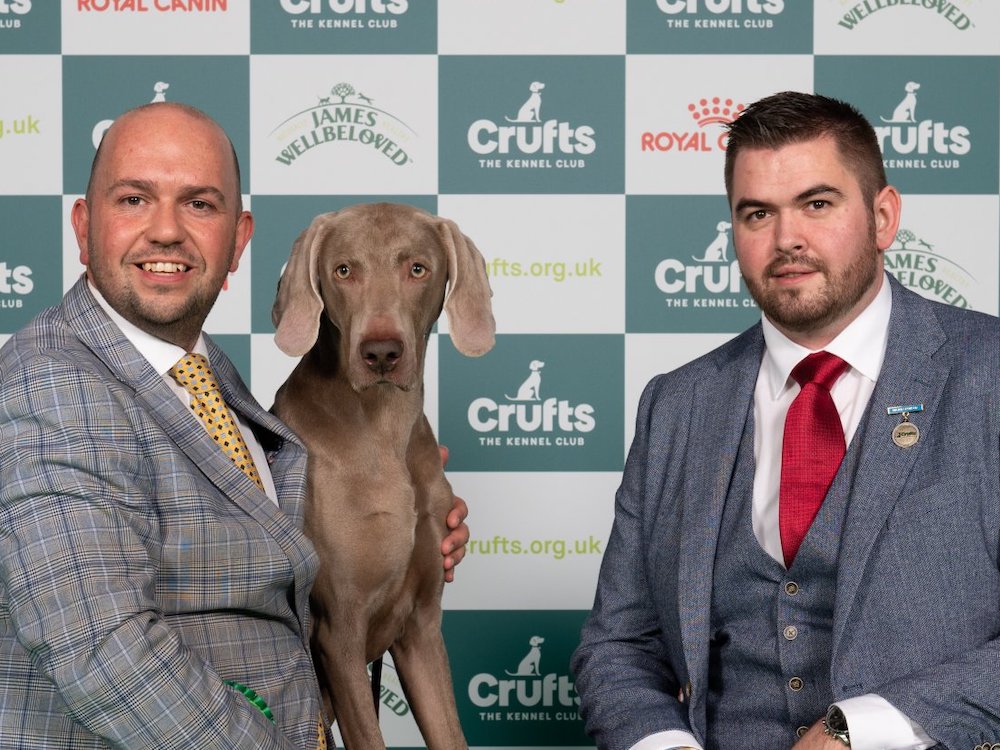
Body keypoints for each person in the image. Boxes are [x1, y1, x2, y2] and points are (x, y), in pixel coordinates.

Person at [0, 102, 469, 749]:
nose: (167, 231)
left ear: (239, 240)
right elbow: (103, 655)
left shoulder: (210, 379)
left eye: (199, 204)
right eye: (134, 200)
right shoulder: (53, 384)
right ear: (83, 228)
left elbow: (278, 570)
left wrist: (397, 545)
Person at [571, 91, 1000, 750]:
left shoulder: (988, 372)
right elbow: (618, 648)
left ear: (883, 217)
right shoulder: (677, 404)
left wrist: (862, 730)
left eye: (817, 204)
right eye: (757, 214)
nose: (786, 239)